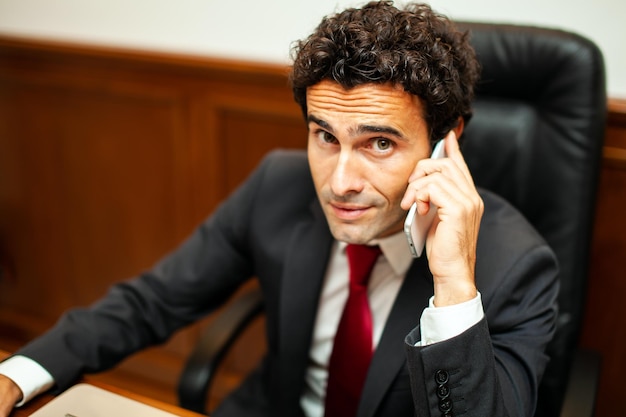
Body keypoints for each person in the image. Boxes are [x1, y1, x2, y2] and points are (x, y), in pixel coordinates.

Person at [0, 1, 559, 416]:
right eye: (324, 135)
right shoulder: (278, 184)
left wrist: (454, 284)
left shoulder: (515, 263)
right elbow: (152, 300)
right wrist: (18, 375)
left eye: (379, 143)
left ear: (446, 143)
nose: (340, 182)